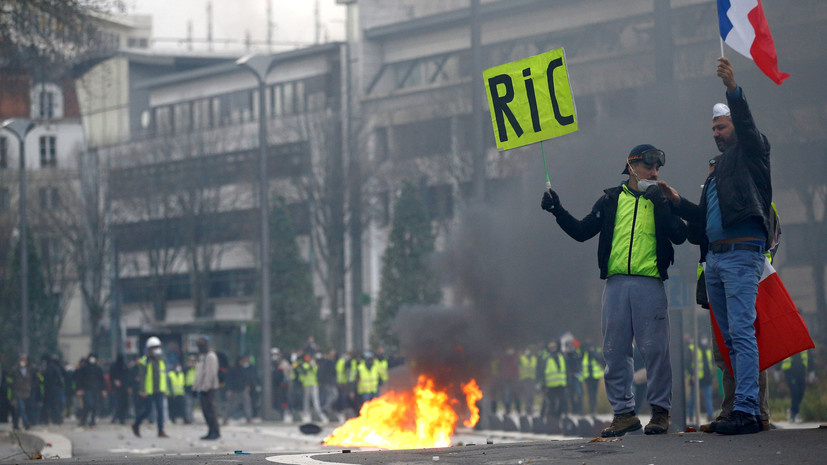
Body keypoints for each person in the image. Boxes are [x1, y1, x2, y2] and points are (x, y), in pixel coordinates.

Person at [541, 143, 686, 437]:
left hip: (650, 284)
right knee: (615, 351)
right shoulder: (610, 200)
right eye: (649, 167)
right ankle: (623, 414)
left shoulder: (661, 199)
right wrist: (557, 209)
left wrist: (662, 203)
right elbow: (582, 232)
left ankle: (660, 413)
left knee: (655, 350)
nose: (655, 173)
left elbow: (681, 236)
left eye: (658, 168)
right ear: (631, 166)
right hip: (616, 285)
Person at [660, 57, 772, 435]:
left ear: (736, 128)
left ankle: (747, 410)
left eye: (721, 126)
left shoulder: (752, 153)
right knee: (729, 340)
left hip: (742, 253)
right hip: (718, 261)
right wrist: (678, 202)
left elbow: (748, 127)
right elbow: (707, 221)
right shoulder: (719, 172)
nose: (716, 133)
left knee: (741, 332)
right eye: (713, 128)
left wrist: (732, 90)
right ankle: (745, 409)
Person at [132, 337, 169, 438]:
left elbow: (163, 376)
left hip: (159, 390)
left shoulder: (161, 360)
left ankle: (161, 431)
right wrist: (142, 390)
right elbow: (142, 376)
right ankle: (136, 424)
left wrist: (165, 390)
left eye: (158, 347)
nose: (157, 349)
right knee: (147, 411)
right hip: (149, 390)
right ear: (149, 349)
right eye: (155, 347)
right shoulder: (145, 361)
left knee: (160, 410)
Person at [193, 336, 220, 440]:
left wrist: (205, 388)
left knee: (210, 411)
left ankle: (215, 431)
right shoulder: (202, 357)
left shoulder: (210, 356)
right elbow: (199, 374)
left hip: (209, 389)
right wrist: (195, 388)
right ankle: (210, 431)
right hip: (202, 388)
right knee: (205, 411)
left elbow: (210, 374)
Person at [76, 353, 107, 428]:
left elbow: (102, 379)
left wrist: (103, 390)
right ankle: (83, 420)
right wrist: (79, 389)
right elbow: (79, 379)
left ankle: (92, 421)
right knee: (88, 405)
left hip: (96, 390)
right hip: (86, 389)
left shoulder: (98, 368)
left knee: (95, 406)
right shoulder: (84, 368)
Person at [781, 350, 809, 423]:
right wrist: (777, 370)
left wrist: (812, 370)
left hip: (801, 373)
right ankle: (796, 413)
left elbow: (809, 358)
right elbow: (781, 357)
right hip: (790, 373)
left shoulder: (804, 346)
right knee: (795, 393)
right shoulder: (787, 343)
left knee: (801, 393)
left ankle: (792, 411)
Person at [580, 341, 604, 415]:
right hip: (587, 377)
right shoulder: (584, 353)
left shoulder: (597, 352)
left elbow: (601, 359)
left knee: (594, 394)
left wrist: (593, 353)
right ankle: (591, 410)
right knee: (590, 394)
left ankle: (593, 410)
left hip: (596, 377)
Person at [9, 355, 32, 430]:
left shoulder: (29, 370)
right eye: (21, 360)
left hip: (26, 393)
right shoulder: (14, 370)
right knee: (21, 408)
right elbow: (10, 382)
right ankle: (26, 423)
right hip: (17, 393)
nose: (23, 362)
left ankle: (15, 424)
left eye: (24, 360)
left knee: (19, 410)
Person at [109, 354, 130, 425]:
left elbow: (127, 376)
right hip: (117, 389)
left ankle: (122, 418)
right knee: (118, 404)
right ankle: (117, 417)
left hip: (124, 388)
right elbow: (111, 377)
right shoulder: (114, 366)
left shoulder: (124, 366)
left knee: (123, 404)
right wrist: (115, 381)